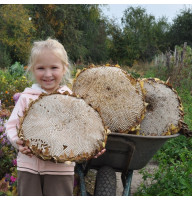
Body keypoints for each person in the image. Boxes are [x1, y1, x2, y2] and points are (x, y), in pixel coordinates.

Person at [6, 38, 105, 196]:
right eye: (41, 68)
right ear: (32, 69)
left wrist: (94, 145)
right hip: (29, 166)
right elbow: (11, 126)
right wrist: (17, 143)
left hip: (61, 169)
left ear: (64, 68)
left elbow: (83, 129)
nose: (47, 74)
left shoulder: (71, 100)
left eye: (54, 67)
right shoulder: (26, 98)